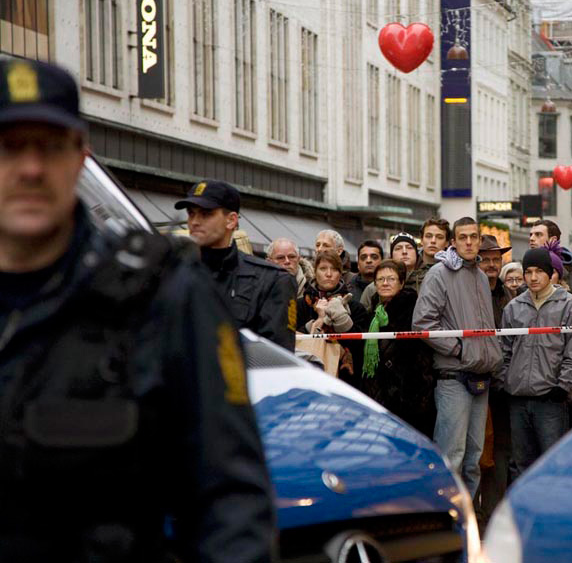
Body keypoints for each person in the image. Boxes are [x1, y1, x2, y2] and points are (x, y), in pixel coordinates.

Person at [0, 59, 274, 562]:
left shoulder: (162, 295)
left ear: (81, 157)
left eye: (51, 147)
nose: (31, 168)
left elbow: (229, 504)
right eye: (10, 146)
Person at [413, 217, 502, 497]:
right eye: (462, 237)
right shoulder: (439, 273)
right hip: (453, 377)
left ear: (479, 240)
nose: (469, 242)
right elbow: (422, 324)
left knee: (474, 458)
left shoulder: (480, 276)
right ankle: (446, 515)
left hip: (481, 375)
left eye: (473, 237)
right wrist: (460, 349)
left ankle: (469, 515)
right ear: (453, 241)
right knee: (451, 457)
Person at [176, 180, 298, 351]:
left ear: (231, 220)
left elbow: (275, 356)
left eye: (205, 214)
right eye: (191, 213)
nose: (195, 221)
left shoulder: (271, 281)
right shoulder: (172, 273)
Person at [498, 247, 572, 476]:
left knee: (553, 464)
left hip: (551, 399)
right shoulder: (513, 307)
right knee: (520, 464)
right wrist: (505, 382)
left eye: (539, 271)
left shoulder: (570, 306)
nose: (533, 277)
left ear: (550, 273)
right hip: (518, 398)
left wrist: (563, 386)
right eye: (528, 272)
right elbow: (504, 350)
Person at [359, 260, 435, 437]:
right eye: (380, 279)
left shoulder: (412, 309)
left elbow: (414, 352)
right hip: (379, 392)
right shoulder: (374, 313)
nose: (385, 283)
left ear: (401, 283)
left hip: (408, 393)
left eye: (391, 279)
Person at [476, 235, 513, 526]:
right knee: (473, 451)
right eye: (486, 259)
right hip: (473, 378)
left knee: (499, 452)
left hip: (502, 384)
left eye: (496, 259)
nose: (491, 264)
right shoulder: (471, 290)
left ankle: (493, 513)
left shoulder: (509, 296)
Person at [296, 250, 369, 384]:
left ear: (340, 273)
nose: (329, 274)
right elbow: (293, 341)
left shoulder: (355, 307)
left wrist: (341, 317)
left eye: (334, 269)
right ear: (315, 272)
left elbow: (359, 346)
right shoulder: (300, 305)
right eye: (323, 269)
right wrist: (319, 320)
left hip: (345, 379)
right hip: (305, 376)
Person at [360, 232, 420, 311]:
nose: (404, 251)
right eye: (398, 248)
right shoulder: (372, 289)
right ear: (391, 255)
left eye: (409, 247)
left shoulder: (427, 281)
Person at [528, 220, 572, 290]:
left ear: (553, 240)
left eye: (538, 234)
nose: (531, 238)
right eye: (531, 235)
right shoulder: (526, 267)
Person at [407, 217, 451, 292]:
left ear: (447, 243)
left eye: (439, 237)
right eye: (428, 236)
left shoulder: (452, 268)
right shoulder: (409, 264)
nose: (433, 241)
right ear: (421, 240)